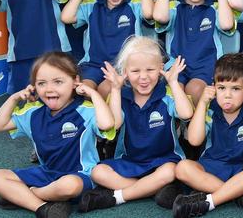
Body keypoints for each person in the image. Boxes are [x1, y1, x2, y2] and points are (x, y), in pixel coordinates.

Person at [0, 52, 114, 218]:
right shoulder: (33, 112)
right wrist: (13, 98)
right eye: (41, 83)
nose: (49, 89)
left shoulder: (85, 110)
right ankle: (43, 208)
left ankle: (28, 195)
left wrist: (93, 94)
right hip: (47, 173)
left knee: (69, 186)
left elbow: (107, 124)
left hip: (80, 176)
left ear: (75, 82)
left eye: (58, 82)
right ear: (33, 86)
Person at [78, 36, 194, 212]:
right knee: (98, 172)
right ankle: (151, 189)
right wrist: (115, 89)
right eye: (135, 71)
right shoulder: (120, 96)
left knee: (170, 171)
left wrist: (173, 82)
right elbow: (114, 125)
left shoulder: (168, 95)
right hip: (130, 161)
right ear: (124, 72)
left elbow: (186, 113)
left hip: (164, 160)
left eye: (150, 70)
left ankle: (118, 196)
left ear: (161, 69)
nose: (143, 77)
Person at [172, 53, 243, 217]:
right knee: (182, 168)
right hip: (213, 167)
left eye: (236, 89)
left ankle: (211, 200)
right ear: (214, 87)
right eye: (222, 88)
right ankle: (238, 195)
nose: (227, 95)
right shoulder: (210, 108)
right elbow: (195, 141)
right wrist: (202, 102)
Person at [60, 0, 154, 99]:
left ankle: (110, 121)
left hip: (122, 67)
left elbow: (149, 13)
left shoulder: (134, 4)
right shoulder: (91, 6)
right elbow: (66, 17)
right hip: (93, 65)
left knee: (105, 90)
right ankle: (96, 121)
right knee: (83, 90)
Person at [153, 0, 234, 103]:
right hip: (177, 64)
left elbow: (227, 24)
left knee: (195, 89)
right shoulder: (175, 9)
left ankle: (191, 123)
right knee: (174, 86)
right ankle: (181, 122)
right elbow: (159, 16)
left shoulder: (214, 10)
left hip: (205, 66)